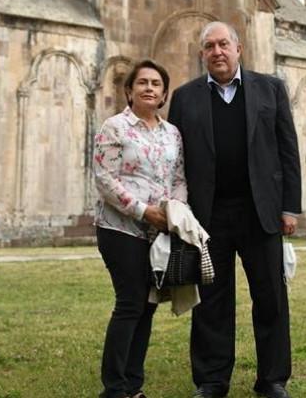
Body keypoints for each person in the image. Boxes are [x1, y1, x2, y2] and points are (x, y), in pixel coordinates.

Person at [168, 22, 302, 398]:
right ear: (202, 54)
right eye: (209, 46)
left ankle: (272, 379)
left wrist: (290, 207)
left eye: (223, 44)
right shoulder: (185, 97)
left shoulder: (270, 89)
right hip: (208, 215)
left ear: (238, 49)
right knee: (211, 300)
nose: (217, 52)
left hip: (261, 211)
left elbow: (287, 149)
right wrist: (177, 210)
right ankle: (212, 380)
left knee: (271, 297)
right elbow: (176, 160)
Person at [93, 59, 187, 398]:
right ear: (129, 91)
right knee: (131, 302)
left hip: (158, 232)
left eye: (156, 84)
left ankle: (133, 386)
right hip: (121, 228)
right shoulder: (115, 127)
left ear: (164, 94)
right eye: (142, 82)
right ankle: (114, 389)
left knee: (147, 306)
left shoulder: (172, 133)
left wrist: (175, 212)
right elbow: (105, 178)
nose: (149, 88)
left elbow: (179, 178)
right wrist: (144, 211)